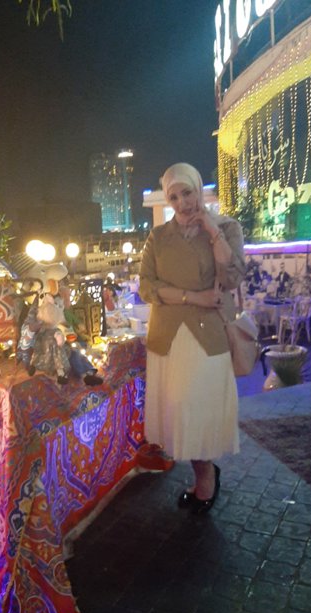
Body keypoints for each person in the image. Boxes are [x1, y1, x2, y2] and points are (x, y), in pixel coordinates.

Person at [138, 163, 246, 514]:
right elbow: (146, 286)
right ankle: (202, 475)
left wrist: (211, 231)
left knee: (198, 410)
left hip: (206, 335)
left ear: (199, 190)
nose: (182, 203)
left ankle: (206, 477)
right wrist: (192, 297)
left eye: (187, 193)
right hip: (168, 337)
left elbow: (232, 278)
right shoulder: (159, 236)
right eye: (174, 197)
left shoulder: (226, 227)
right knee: (179, 413)